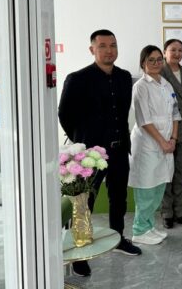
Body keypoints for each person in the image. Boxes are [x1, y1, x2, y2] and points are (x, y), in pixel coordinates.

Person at [58, 29, 141, 277]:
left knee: (119, 198)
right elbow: (64, 114)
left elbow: (123, 112)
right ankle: (80, 251)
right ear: (92, 49)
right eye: (102, 46)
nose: (109, 50)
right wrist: (82, 142)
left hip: (119, 149)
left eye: (113, 45)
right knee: (85, 202)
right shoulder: (77, 79)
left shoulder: (124, 77)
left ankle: (119, 237)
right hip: (91, 154)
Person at [128, 45, 179, 245]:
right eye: (151, 60)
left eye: (159, 59)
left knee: (159, 186)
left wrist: (173, 140)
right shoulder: (141, 86)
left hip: (166, 144)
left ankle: (149, 226)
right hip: (148, 145)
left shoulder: (166, 84)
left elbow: (175, 114)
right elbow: (144, 120)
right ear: (143, 63)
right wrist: (163, 142)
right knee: (146, 189)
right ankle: (139, 230)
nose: (157, 63)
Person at [160, 39, 182, 229]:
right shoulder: (158, 72)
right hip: (165, 131)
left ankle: (179, 211)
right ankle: (167, 213)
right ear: (165, 51)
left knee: (181, 172)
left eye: (180, 50)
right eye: (173, 50)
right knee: (166, 174)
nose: (177, 53)